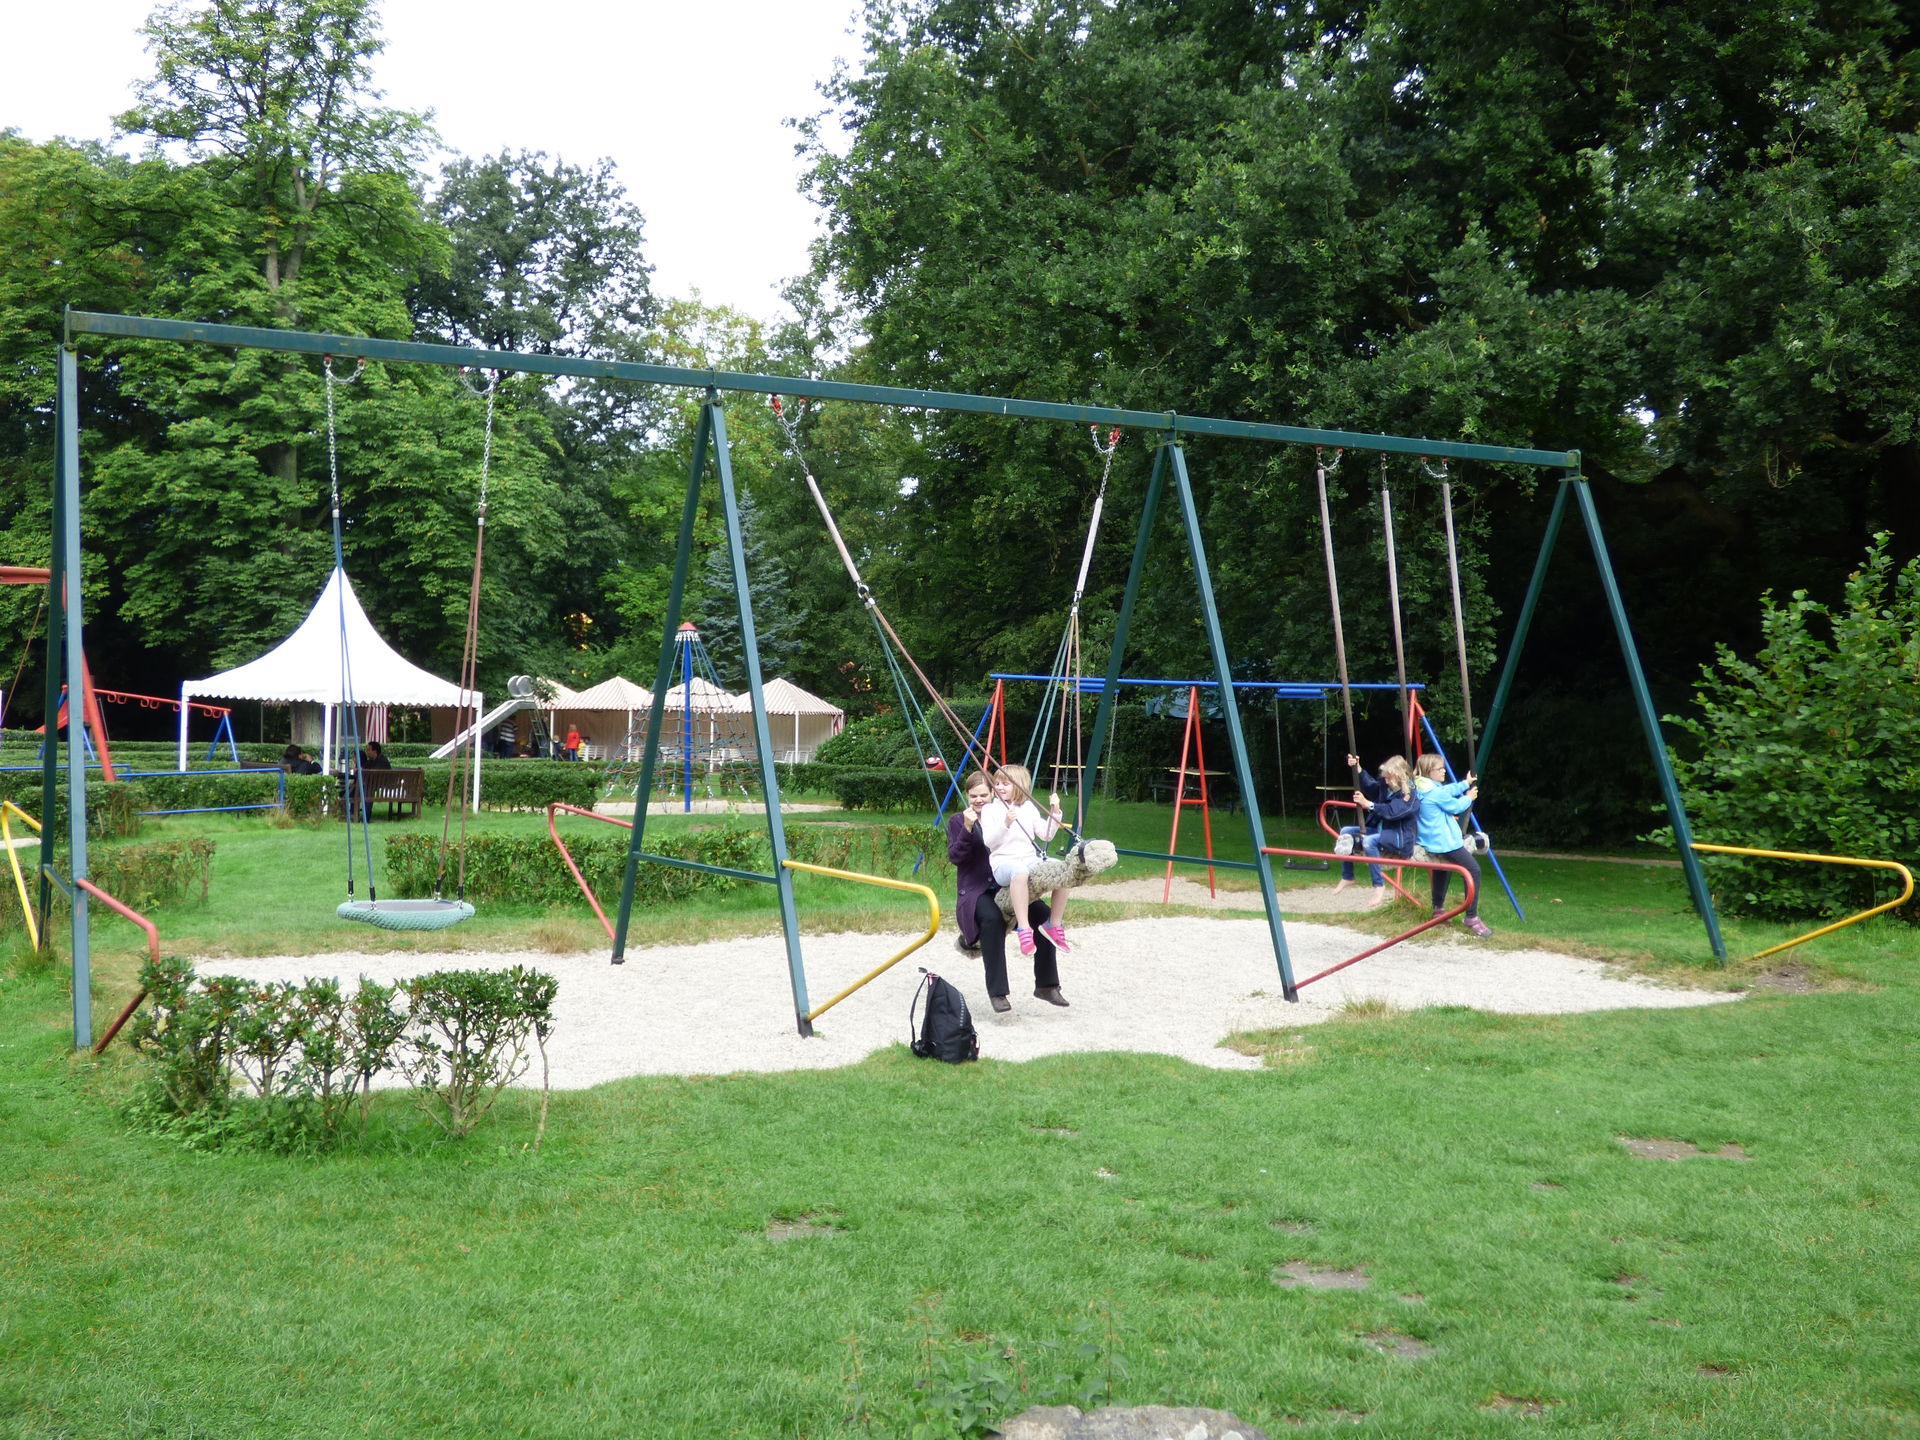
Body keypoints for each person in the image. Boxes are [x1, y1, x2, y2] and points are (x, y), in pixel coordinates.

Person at [948, 770, 1066, 1012]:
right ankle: (998, 993)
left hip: (1012, 884)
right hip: (978, 890)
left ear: (992, 794)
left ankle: (1047, 985)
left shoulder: (1003, 812)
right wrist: (967, 829)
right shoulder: (959, 821)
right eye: (973, 796)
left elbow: (1036, 834)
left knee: (1043, 915)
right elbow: (956, 857)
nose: (978, 800)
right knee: (992, 919)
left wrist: (1053, 813)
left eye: (983, 795)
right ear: (967, 796)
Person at [976, 762, 1073, 956]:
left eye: (1006, 784)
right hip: (1003, 864)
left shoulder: (1028, 807)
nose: (1000, 787)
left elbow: (1046, 835)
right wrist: (1005, 823)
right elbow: (989, 842)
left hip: (1028, 859)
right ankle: (1024, 929)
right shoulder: (990, 810)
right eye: (997, 783)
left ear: (1019, 786)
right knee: (1020, 872)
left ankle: (1053, 925)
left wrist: (1055, 812)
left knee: (1064, 870)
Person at [1413, 752, 1491, 936]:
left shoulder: (1421, 786)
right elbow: (1456, 806)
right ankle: (1471, 917)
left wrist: (1465, 783)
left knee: (1442, 868)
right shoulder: (1435, 793)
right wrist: (1469, 797)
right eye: (1439, 769)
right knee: (1473, 870)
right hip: (1444, 841)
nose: (1444, 771)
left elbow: (1446, 791)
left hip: (1430, 839)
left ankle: (1438, 910)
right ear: (1429, 771)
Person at [1335, 753, 1420, 906]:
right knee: (1345, 832)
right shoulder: (1386, 786)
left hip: (1399, 837)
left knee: (1368, 842)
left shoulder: (1409, 794)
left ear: (1399, 777)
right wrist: (1358, 768)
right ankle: (1348, 876)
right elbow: (1370, 786)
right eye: (1385, 778)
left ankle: (1378, 885)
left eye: (1388, 778)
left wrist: (1369, 804)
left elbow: (1393, 812)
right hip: (1381, 831)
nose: (1385, 781)